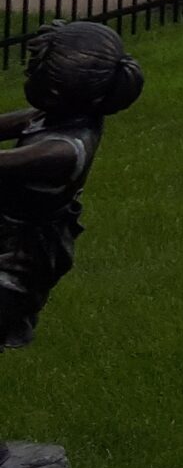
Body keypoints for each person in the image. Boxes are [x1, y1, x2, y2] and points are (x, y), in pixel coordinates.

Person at [0, 22, 144, 349]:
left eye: (31, 71)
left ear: (52, 91)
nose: (25, 74)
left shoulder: (60, 151)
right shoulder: (57, 112)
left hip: (17, 259)